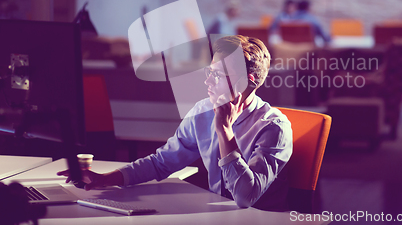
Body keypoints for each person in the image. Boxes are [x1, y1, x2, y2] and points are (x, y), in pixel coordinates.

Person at [58, 35, 293, 211]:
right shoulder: (202, 111)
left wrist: (224, 132)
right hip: (217, 215)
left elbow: (245, 197)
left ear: (246, 81)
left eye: (218, 75)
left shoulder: (273, 128)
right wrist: (105, 178)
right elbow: (162, 162)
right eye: (209, 72)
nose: (208, 81)